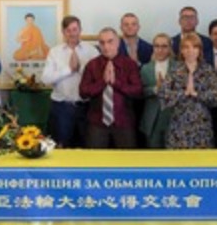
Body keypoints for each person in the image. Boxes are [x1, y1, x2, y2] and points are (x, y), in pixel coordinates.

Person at [79, 28, 142, 149]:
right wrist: (103, 82)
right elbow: (83, 92)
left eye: (110, 41)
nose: (106, 46)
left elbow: (138, 91)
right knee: (95, 162)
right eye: (102, 42)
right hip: (97, 123)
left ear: (118, 42)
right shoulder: (92, 65)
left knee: (127, 163)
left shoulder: (129, 64)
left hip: (124, 122)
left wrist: (116, 83)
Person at [41, 16, 99, 147]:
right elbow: (45, 79)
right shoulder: (55, 52)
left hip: (86, 107)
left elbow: (98, 78)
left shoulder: (92, 51)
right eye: (68, 30)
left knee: (86, 146)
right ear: (63, 32)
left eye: (75, 29)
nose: (72, 33)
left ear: (80, 30)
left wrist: (81, 69)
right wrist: (68, 70)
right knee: (62, 146)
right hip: (62, 108)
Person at [159, 33, 217, 149]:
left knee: (202, 163)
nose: (190, 51)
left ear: (199, 50)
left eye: (195, 47)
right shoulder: (175, 70)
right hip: (178, 125)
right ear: (182, 50)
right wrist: (183, 94)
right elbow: (163, 95)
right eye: (186, 47)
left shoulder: (207, 70)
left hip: (201, 125)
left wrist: (197, 94)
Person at [139, 34, 176, 148]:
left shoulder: (178, 67)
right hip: (152, 119)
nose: (160, 50)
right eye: (157, 46)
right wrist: (155, 89)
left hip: (173, 117)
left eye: (164, 46)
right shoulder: (145, 68)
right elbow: (140, 92)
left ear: (170, 48)